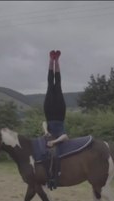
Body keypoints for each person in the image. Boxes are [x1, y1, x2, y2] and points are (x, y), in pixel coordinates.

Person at [43, 50, 68, 190]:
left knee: (49, 85)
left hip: (48, 112)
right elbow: (65, 136)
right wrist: (55, 141)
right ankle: (56, 60)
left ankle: (51, 60)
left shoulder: (47, 139)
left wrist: (46, 132)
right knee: (57, 85)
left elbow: (43, 122)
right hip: (59, 113)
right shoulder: (56, 137)